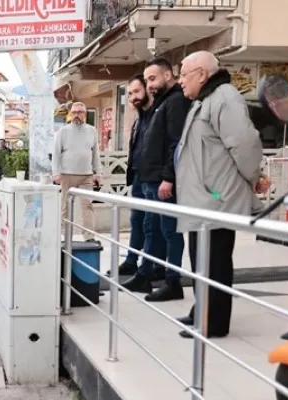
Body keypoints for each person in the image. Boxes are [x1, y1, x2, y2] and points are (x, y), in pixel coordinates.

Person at [174, 51, 267, 338]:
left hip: (217, 198)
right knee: (200, 261)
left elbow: (244, 143)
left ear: (202, 74)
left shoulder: (225, 98)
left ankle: (212, 323)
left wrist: (255, 176)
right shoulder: (206, 100)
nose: (180, 81)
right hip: (202, 200)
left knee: (213, 263)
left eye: (184, 74)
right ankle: (201, 310)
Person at [122, 57, 192, 302]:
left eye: (152, 79)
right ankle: (149, 272)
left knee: (169, 231)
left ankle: (172, 281)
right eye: (147, 80)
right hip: (149, 178)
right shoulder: (159, 105)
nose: (150, 84)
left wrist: (168, 177)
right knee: (154, 228)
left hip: (161, 181)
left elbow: (176, 143)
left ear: (168, 75)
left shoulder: (174, 102)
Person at [112, 75, 165, 278]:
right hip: (138, 177)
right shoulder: (139, 118)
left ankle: (152, 267)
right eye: (130, 93)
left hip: (153, 179)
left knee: (152, 225)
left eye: (137, 91)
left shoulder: (157, 115)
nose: (133, 97)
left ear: (147, 90)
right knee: (137, 222)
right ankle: (132, 261)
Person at [52, 102, 102, 241]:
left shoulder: (92, 130)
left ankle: (89, 236)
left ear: (85, 115)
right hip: (67, 175)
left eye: (80, 112)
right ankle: (64, 236)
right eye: (74, 112)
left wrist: (98, 173)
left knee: (87, 206)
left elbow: (95, 153)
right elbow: (56, 153)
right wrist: (56, 173)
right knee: (65, 207)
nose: (76, 115)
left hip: (86, 175)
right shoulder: (63, 131)